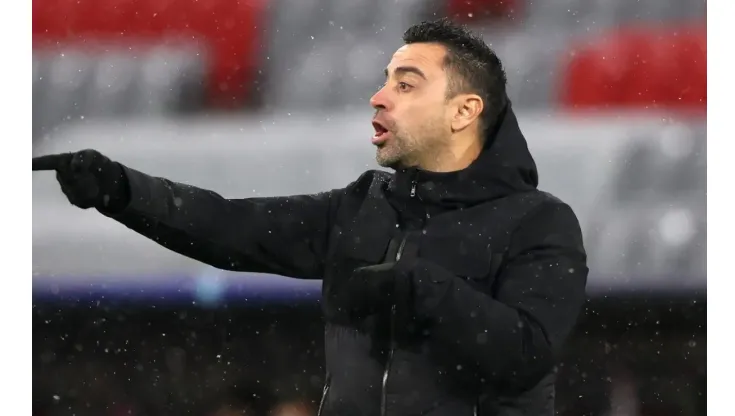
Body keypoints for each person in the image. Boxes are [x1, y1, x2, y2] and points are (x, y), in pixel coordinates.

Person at [32, 18, 588, 416]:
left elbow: (528, 354)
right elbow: (227, 226)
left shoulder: (539, 222)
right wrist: (122, 190)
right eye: (385, 79)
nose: (378, 97)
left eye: (405, 84)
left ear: (465, 111)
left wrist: (425, 291)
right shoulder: (360, 208)